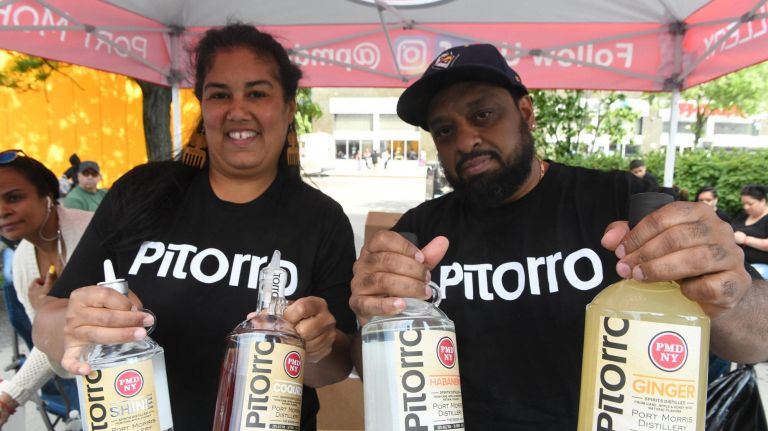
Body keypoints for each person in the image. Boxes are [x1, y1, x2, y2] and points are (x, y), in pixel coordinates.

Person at [348, 44, 768, 430]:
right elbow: (372, 368)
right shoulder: (418, 231)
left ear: (526, 113)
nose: (465, 140)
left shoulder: (623, 202)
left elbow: (759, 338)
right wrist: (373, 323)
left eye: (482, 115)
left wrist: (727, 293)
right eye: (443, 130)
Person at [33, 24, 356, 430]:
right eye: (220, 94)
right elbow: (49, 318)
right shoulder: (141, 191)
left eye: (257, 93)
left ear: (289, 107)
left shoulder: (322, 219)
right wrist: (74, 328)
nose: (238, 111)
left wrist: (316, 348)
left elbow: (338, 365)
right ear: (202, 106)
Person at [0, 149, 92, 426]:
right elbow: (49, 347)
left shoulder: (92, 233)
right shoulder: (21, 261)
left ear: (47, 196)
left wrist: (46, 310)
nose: (2, 210)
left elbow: (103, 335)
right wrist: (9, 398)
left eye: (14, 197)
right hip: (81, 380)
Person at [732, 184, 768, 278]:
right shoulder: (742, 215)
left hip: (760, 266)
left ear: (763, 201)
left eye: (750, 204)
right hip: (736, 263)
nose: (746, 207)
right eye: (744, 204)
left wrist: (745, 240)